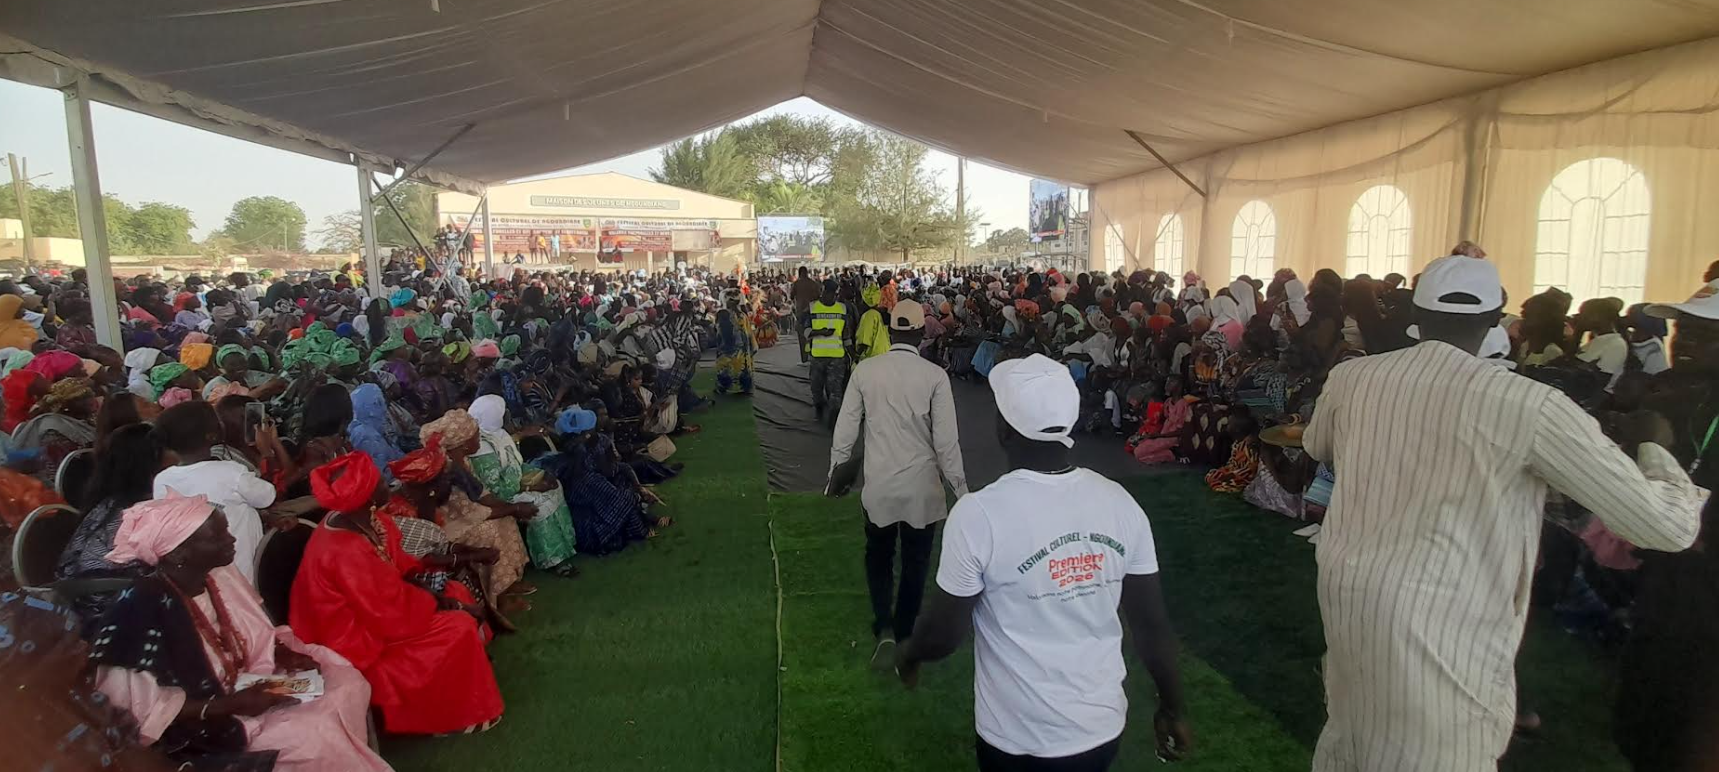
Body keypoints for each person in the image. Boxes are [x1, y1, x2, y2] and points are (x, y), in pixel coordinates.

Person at [1300, 255, 1706, 771]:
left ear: (1415, 319)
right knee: (1438, 751)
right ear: (1496, 319)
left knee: (1352, 730)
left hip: (1348, 593)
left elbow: (1317, 444)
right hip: (1446, 621)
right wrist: (1655, 448)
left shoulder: (1354, 378)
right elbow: (1665, 527)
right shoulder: (1531, 405)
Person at [896, 354, 1189, 771]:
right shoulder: (1120, 503)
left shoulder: (979, 514)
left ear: (1003, 428)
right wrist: (1173, 708)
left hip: (1015, 738)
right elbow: (1151, 625)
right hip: (1100, 728)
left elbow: (944, 634)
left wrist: (909, 655)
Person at [88, 493, 391, 771]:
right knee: (317, 734)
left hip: (252, 680)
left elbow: (256, 630)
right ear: (178, 555)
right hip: (206, 723)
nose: (231, 539)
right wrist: (230, 705)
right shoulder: (138, 611)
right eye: (216, 536)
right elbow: (140, 713)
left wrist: (283, 652)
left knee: (345, 681)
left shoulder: (220, 574)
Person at [289, 452, 505, 735]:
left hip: (380, 613)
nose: (387, 485)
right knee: (458, 626)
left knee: (458, 590)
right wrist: (445, 605)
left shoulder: (363, 518)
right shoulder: (344, 550)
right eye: (379, 482)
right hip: (350, 638)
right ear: (366, 496)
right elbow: (387, 614)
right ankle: (448, 717)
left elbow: (397, 562)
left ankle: (464, 681)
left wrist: (443, 586)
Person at [829, 301, 968, 666]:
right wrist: (962, 491)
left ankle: (884, 628)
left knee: (878, 557)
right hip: (923, 490)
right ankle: (905, 630)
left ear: (890, 332)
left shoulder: (865, 371)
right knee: (916, 561)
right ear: (922, 333)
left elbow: (846, 430)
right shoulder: (936, 376)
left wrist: (836, 473)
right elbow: (946, 443)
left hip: (880, 489)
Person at [153, 401, 285, 585]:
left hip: (197, 573)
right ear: (212, 435)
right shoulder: (231, 472)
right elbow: (268, 496)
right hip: (240, 569)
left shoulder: (162, 479)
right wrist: (266, 452)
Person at [468, 394, 579, 577]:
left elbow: (517, 464)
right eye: (503, 413)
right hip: (501, 496)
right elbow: (495, 488)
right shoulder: (481, 447)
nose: (507, 416)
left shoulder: (499, 433)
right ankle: (553, 559)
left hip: (516, 482)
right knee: (539, 502)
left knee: (555, 485)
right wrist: (531, 488)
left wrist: (543, 475)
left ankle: (566, 545)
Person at [807, 279, 852, 426]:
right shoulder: (812, 308)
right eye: (826, 292)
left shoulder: (842, 309)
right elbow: (803, 328)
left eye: (832, 293)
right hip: (817, 357)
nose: (828, 296)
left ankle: (834, 420)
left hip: (837, 357)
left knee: (835, 391)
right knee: (816, 389)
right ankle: (819, 409)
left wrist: (851, 353)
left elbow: (846, 333)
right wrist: (819, 332)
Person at [791, 266, 821, 363]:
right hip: (813, 310)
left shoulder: (796, 284)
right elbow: (818, 296)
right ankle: (813, 354)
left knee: (802, 335)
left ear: (799, 273)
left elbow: (791, 296)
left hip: (800, 312)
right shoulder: (814, 284)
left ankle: (804, 358)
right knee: (813, 333)